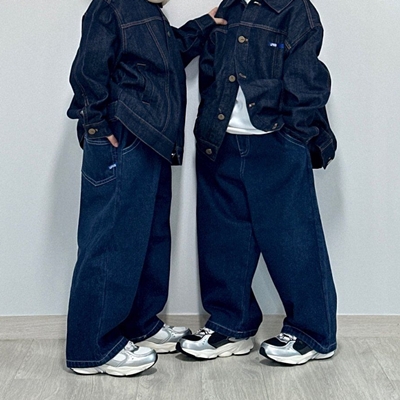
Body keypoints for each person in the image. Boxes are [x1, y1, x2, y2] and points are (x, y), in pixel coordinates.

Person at [66, 0, 226, 376]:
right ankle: (91, 348)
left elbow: (170, 51)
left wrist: (205, 24)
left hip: (151, 140)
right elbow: (88, 68)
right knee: (111, 242)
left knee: (149, 238)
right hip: (122, 135)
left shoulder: (149, 13)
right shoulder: (111, 6)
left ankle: (140, 325)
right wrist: (95, 126)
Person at [177, 0, 338, 365]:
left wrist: (294, 139)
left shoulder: (296, 11)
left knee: (293, 240)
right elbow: (210, 70)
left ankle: (314, 333)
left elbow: (307, 80)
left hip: (275, 142)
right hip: (220, 142)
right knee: (223, 241)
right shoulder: (229, 7)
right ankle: (231, 325)